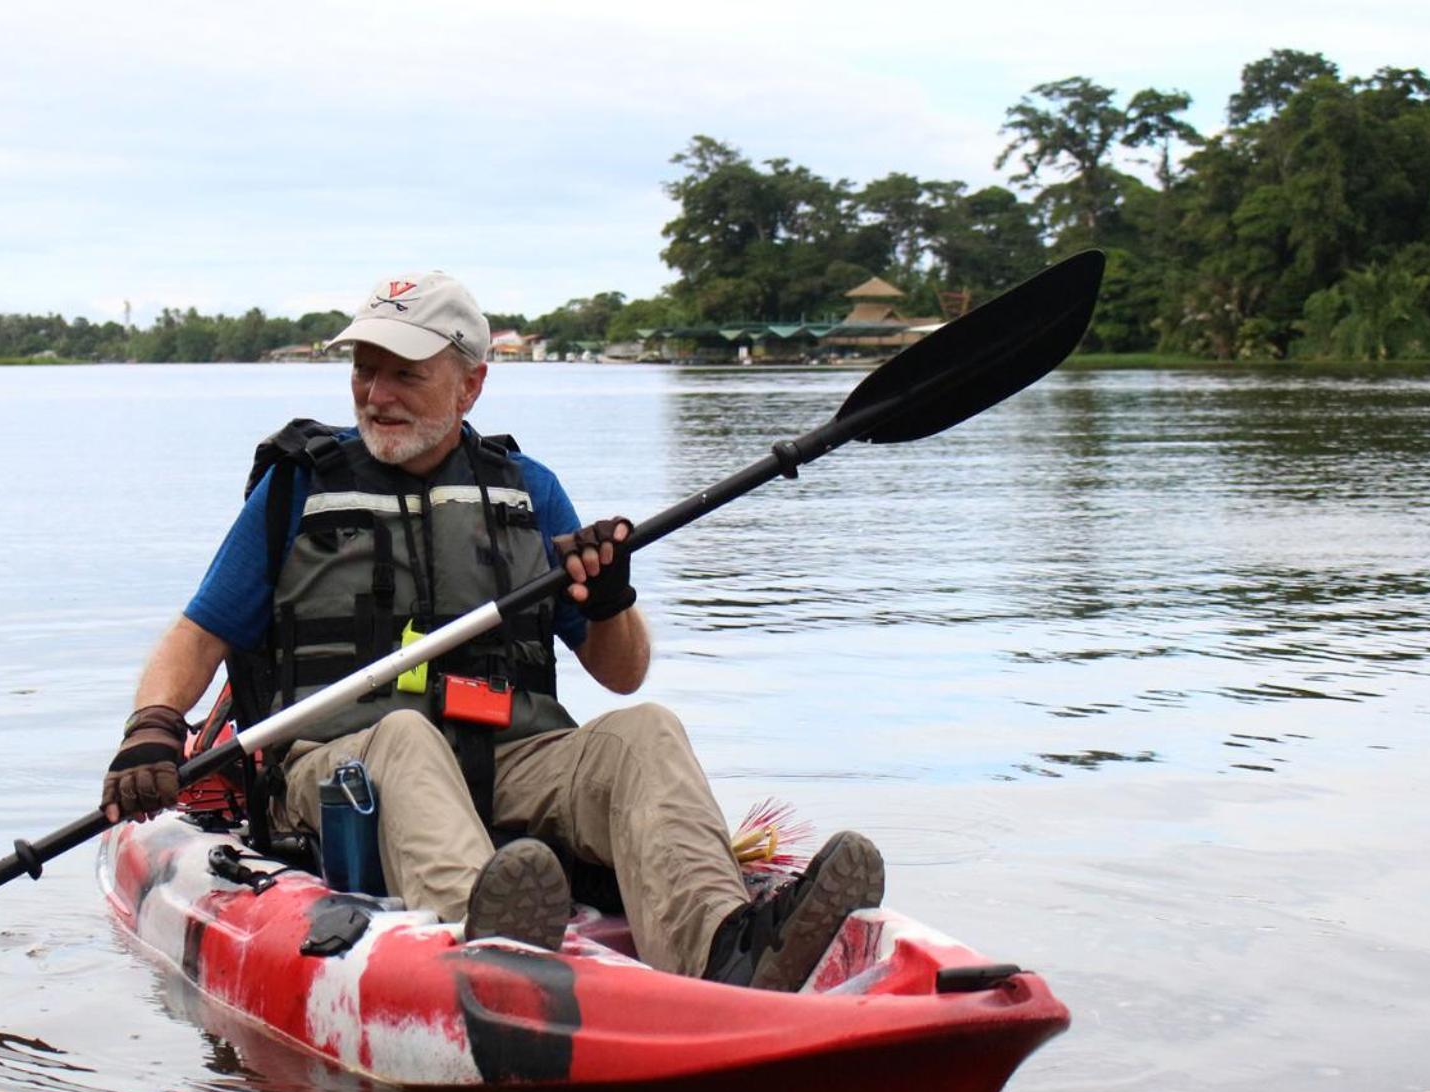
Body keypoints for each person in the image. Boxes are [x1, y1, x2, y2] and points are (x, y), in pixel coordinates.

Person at [102, 270, 883, 990]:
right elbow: (197, 636)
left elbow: (623, 672)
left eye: (406, 373)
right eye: (364, 370)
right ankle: (495, 947)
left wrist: (611, 597)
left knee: (645, 730)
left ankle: (727, 950)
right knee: (406, 736)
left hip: (513, 754)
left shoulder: (529, 491)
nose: (377, 394)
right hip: (344, 769)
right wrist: (152, 727)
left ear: (471, 383)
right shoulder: (299, 488)